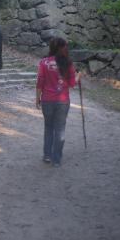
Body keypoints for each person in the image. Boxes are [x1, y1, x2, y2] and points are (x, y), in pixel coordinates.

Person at [35, 37, 78, 167]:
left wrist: (37, 98)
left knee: (48, 127)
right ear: (62, 48)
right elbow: (72, 83)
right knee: (60, 129)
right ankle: (56, 159)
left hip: (47, 100)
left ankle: (47, 155)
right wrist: (79, 76)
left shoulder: (43, 62)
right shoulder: (68, 63)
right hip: (63, 101)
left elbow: (40, 82)